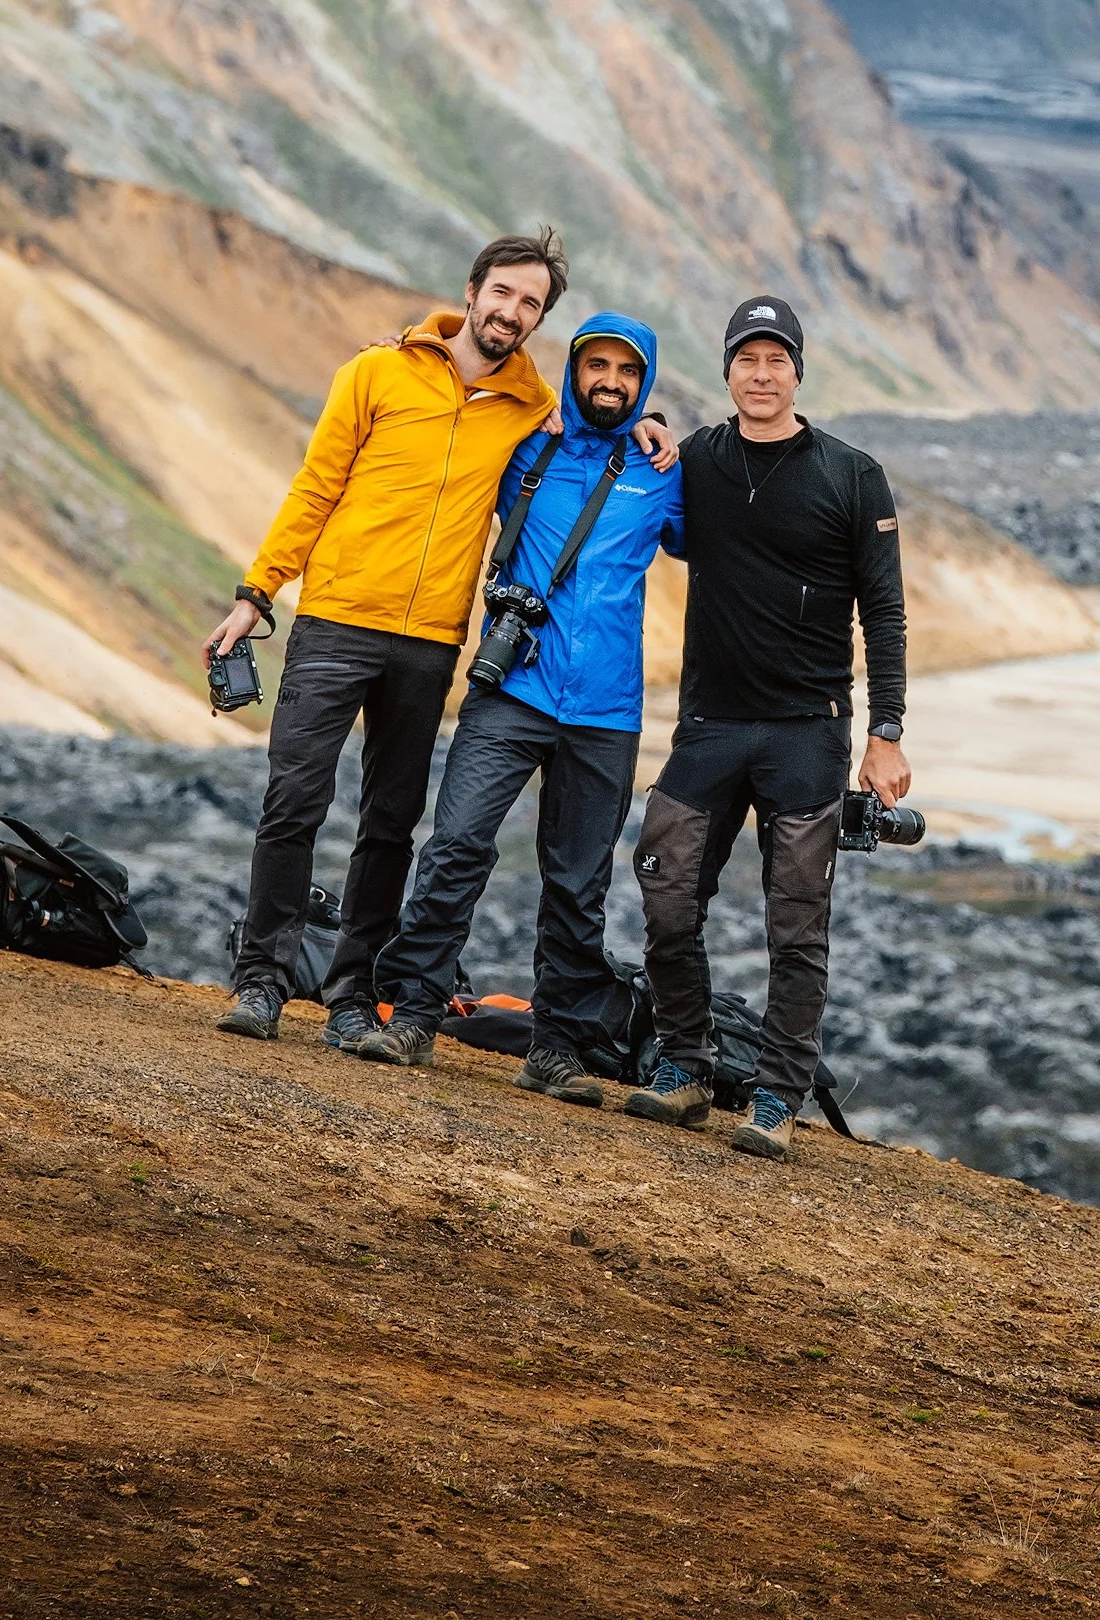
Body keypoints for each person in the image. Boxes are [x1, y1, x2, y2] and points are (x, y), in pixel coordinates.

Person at [206, 229, 672, 1047]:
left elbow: (601, 432)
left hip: (429, 642)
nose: (512, 312)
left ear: (538, 322)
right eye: (503, 294)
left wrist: (648, 422)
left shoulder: (533, 410)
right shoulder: (375, 371)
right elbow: (315, 487)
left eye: (530, 304)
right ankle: (261, 981)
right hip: (337, 619)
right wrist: (256, 593)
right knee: (293, 805)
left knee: (391, 822)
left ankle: (353, 993)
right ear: (471, 291)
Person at [358, 313, 684, 1101]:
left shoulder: (664, 470)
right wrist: (397, 352)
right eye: (595, 366)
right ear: (573, 372)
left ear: (644, 384)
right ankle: (413, 1015)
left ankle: (557, 1049)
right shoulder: (523, 446)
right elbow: (452, 417)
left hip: (605, 710)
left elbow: (728, 541)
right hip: (512, 689)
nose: (609, 381)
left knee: (577, 883)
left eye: (626, 372)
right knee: (457, 845)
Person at [624, 295, 912, 1161]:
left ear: (796, 371)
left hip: (807, 731)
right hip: (710, 723)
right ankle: (683, 1066)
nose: (760, 374)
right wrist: (649, 423)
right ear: (727, 371)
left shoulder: (849, 474)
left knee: (796, 924)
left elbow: (885, 613)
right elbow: (622, 451)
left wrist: (885, 730)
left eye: (775, 360)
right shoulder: (698, 460)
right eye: (745, 360)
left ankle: (777, 1096)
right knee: (667, 895)